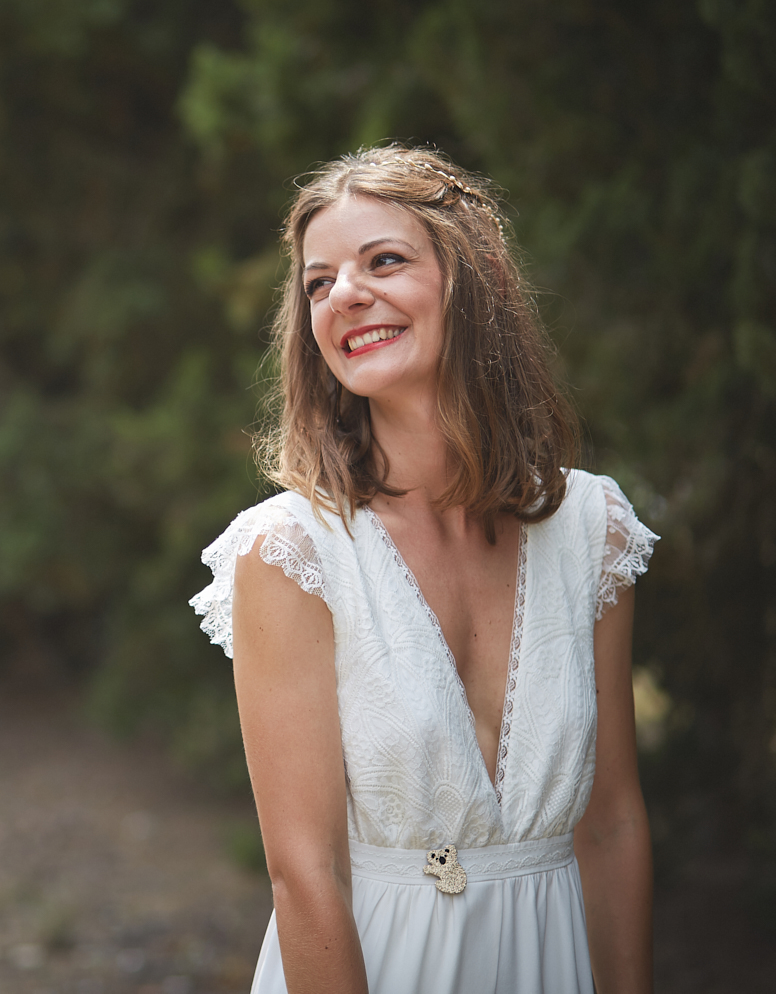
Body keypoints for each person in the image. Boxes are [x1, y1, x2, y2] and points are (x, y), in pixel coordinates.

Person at [191, 146, 656, 993]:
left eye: (384, 261)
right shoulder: (292, 553)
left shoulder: (592, 529)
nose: (345, 295)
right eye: (319, 282)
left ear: (471, 280)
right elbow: (307, 871)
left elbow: (613, 824)